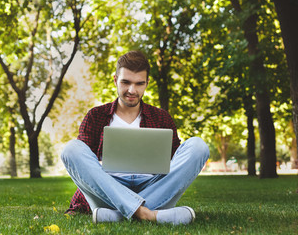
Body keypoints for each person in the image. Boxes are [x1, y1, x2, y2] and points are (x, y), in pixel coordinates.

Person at [61, 50, 209, 225]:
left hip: (153, 186)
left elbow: (176, 168)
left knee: (198, 146)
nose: (132, 90)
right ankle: (147, 214)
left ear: (146, 83)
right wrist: (80, 203)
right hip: (110, 188)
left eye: (139, 83)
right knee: (71, 149)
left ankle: (116, 215)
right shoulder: (95, 116)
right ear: (115, 80)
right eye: (126, 82)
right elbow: (85, 171)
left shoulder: (161, 118)